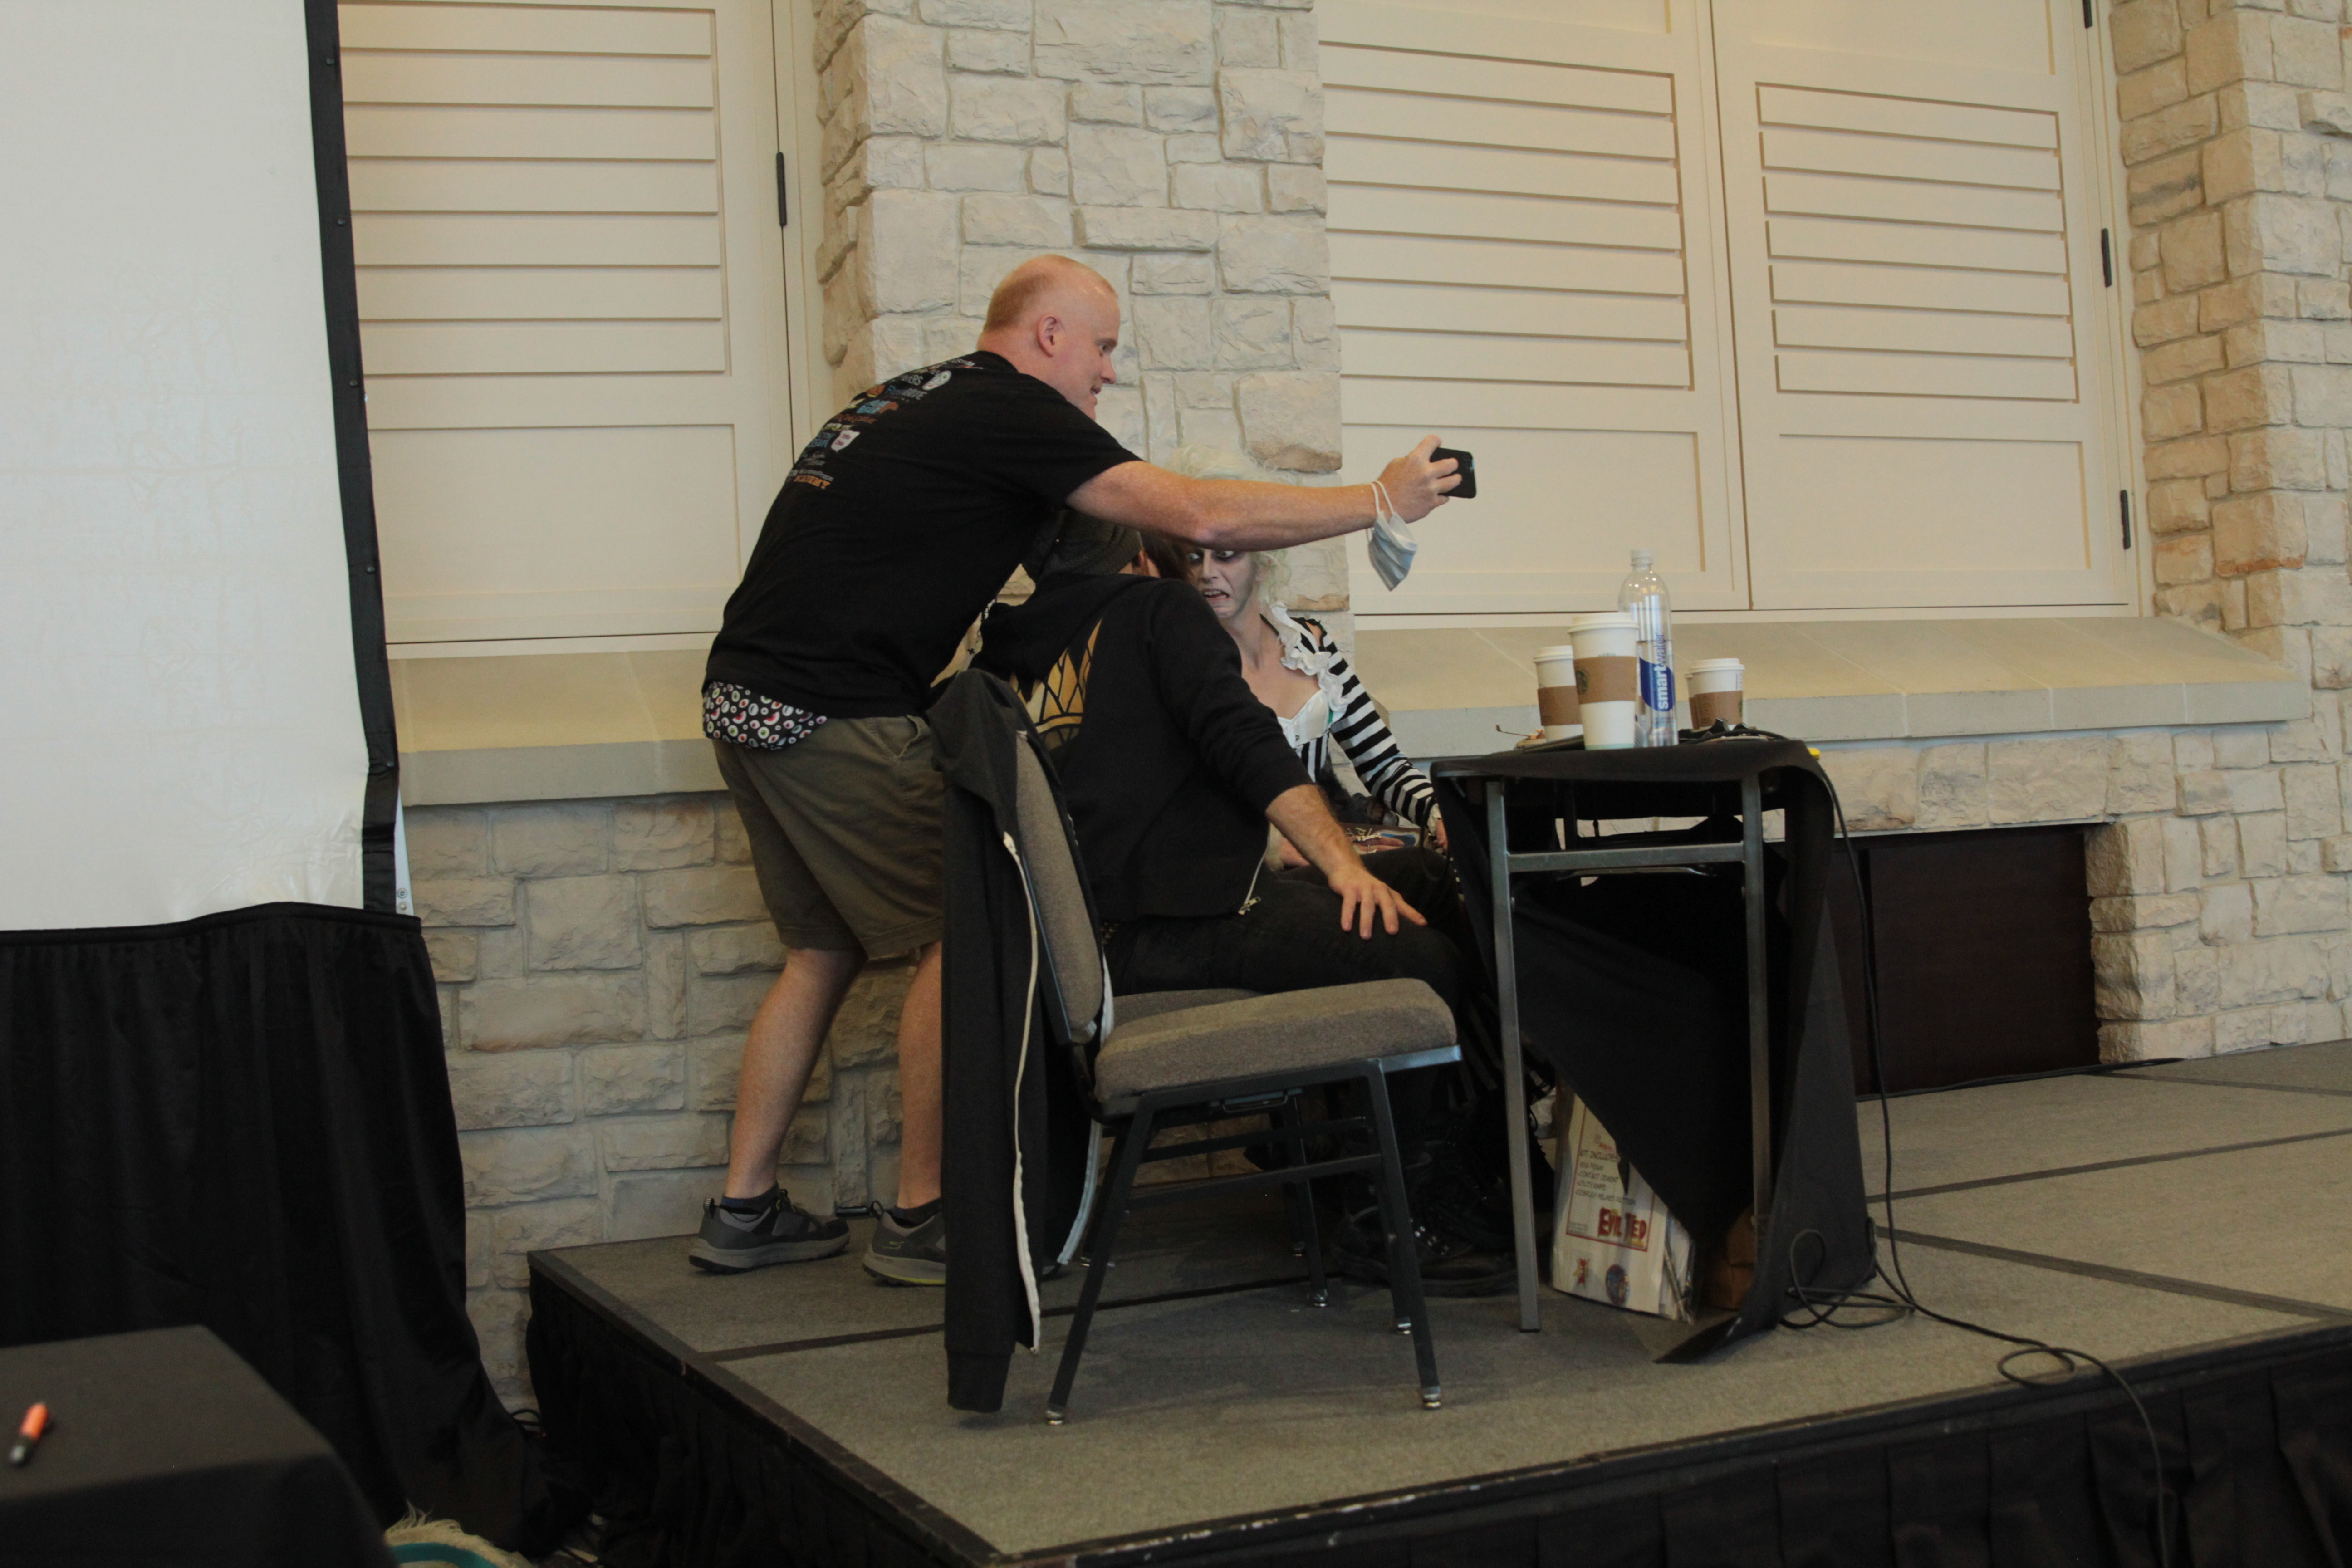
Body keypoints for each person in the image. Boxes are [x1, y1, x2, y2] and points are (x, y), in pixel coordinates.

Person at [688, 254, 1461, 1283]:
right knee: (961, 932)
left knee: (820, 952)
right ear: (1047, 334)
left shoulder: (913, 400)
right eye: (1101, 348)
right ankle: (922, 1214)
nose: (1107, 373)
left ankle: (743, 1209)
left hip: (743, 700)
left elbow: (1057, 556)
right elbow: (1200, 514)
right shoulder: (1011, 409)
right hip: (834, 710)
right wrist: (1378, 499)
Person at [975, 515, 1513, 1292]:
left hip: (1127, 918)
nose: (1203, 573)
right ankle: (1378, 1212)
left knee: (1428, 884)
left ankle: (1452, 1159)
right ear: (1141, 557)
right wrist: (1341, 863)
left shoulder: (1018, 644)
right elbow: (1245, 743)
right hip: (1164, 922)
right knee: (1419, 955)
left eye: (1223, 553)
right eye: (1184, 554)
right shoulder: (1158, 614)